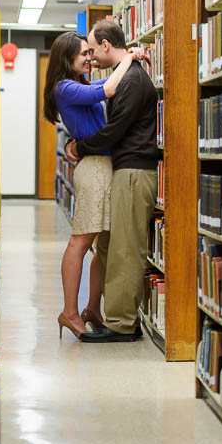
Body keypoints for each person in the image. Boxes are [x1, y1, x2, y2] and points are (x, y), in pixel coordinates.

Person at [44, 32, 146, 339]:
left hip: (106, 166)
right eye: (84, 54)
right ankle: (69, 312)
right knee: (81, 242)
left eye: (91, 53)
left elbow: (103, 92)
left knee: (104, 246)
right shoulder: (65, 87)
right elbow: (111, 88)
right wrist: (129, 56)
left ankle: (91, 308)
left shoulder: (81, 84)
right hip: (94, 171)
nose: (90, 58)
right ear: (67, 58)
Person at [65, 19, 161, 343]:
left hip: (133, 172)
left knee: (125, 249)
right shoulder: (126, 75)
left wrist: (80, 146)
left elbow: (113, 131)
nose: (91, 57)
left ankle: (121, 324)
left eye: (92, 50)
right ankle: (118, 317)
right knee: (118, 246)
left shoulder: (131, 81)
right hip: (129, 170)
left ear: (106, 45)